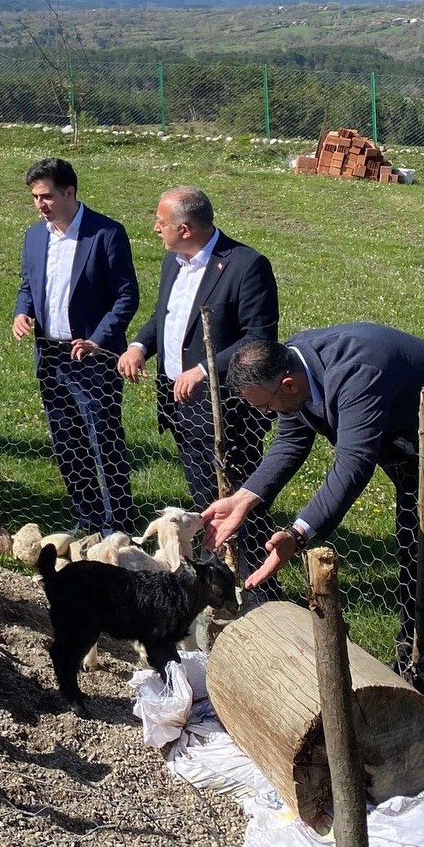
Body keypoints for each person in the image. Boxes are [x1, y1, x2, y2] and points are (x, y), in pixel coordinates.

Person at [202, 325, 424, 717]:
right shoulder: (294, 369)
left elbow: (354, 463)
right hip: (414, 448)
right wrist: (244, 497)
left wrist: (297, 533)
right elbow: (291, 440)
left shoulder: (358, 372)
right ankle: (415, 666)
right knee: (418, 552)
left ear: (287, 384)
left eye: (267, 406)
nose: (268, 415)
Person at [116, 186, 279, 591]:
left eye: (161, 222)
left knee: (238, 496)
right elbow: (165, 316)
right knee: (202, 490)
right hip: (179, 403)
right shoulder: (173, 263)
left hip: (227, 408)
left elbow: (259, 338)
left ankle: (259, 584)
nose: (155, 228)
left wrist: (205, 370)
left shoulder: (246, 266)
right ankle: (219, 575)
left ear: (185, 229)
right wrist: (139, 346)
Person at [12, 158, 139, 534]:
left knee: (104, 440)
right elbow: (27, 285)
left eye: (47, 196)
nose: (40, 204)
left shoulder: (105, 233)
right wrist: (22, 312)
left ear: (69, 192)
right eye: (35, 197)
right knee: (66, 440)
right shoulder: (35, 237)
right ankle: (87, 519)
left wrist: (98, 340)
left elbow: (126, 296)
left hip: (92, 357)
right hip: (50, 356)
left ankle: (118, 523)